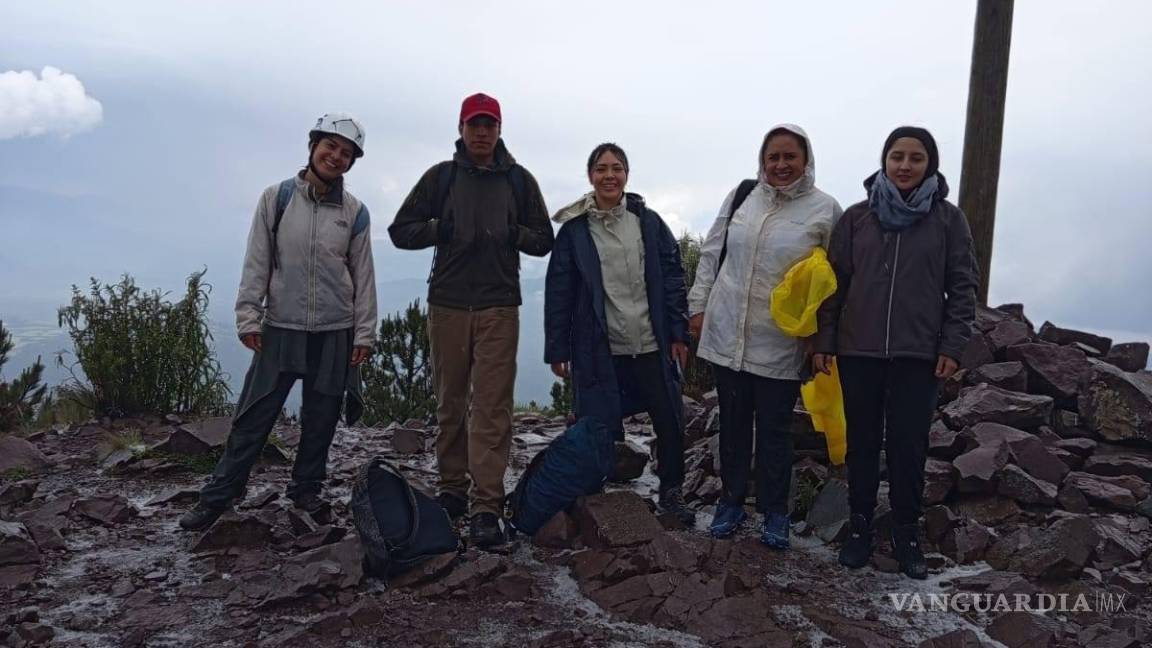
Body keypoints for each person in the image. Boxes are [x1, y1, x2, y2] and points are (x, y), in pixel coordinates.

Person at [180, 113, 377, 531]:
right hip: (281, 325)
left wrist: (364, 333)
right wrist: (248, 315)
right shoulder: (278, 198)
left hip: (335, 329)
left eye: (346, 153)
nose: (336, 157)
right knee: (254, 414)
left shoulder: (355, 213)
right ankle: (221, 492)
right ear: (313, 146)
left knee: (321, 418)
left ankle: (307, 489)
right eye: (330, 147)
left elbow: (363, 277)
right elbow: (258, 259)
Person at [388, 93, 553, 548]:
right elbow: (400, 231)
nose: (482, 132)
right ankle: (452, 490)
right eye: (474, 124)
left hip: (500, 304)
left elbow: (544, 239)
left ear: (500, 130)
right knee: (450, 401)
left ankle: (486, 505)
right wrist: (442, 228)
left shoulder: (519, 181)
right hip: (448, 303)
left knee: (493, 406)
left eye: (490, 125)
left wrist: (511, 234)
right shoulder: (441, 178)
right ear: (461, 129)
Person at [813, 126, 977, 579]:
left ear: (931, 164)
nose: (905, 166)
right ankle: (860, 528)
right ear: (884, 161)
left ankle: (907, 532)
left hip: (918, 355)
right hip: (859, 351)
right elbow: (834, 287)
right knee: (861, 445)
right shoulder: (856, 218)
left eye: (916, 158)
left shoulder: (948, 220)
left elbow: (962, 288)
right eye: (897, 157)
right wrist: (825, 341)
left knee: (908, 447)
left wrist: (953, 345)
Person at [688, 124, 843, 548]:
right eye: (772, 157)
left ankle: (776, 512)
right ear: (762, 160)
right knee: (733, 425)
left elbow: (835, 280)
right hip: (727, 331)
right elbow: (711, 252)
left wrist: (822, 338)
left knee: (775, 430)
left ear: (806, 160)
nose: (780, 165)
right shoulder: (743, 196)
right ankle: (731, 501)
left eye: (789, 156)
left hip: (782, 340)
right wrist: (698, 306)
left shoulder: (825, 210)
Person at [544, 143, 694, 526]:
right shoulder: (575, 231)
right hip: (599, 345)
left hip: (649, 340)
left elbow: (673, 276)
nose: (609, 175)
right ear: (590, 176)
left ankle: (672, 491)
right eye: (601, 168)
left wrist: (678, 331)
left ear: (627, 174)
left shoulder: (648, 222)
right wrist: (557, 347)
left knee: (669, 417)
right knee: (598, 421)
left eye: (617, 168)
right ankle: (599, 495)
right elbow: (559, 290)